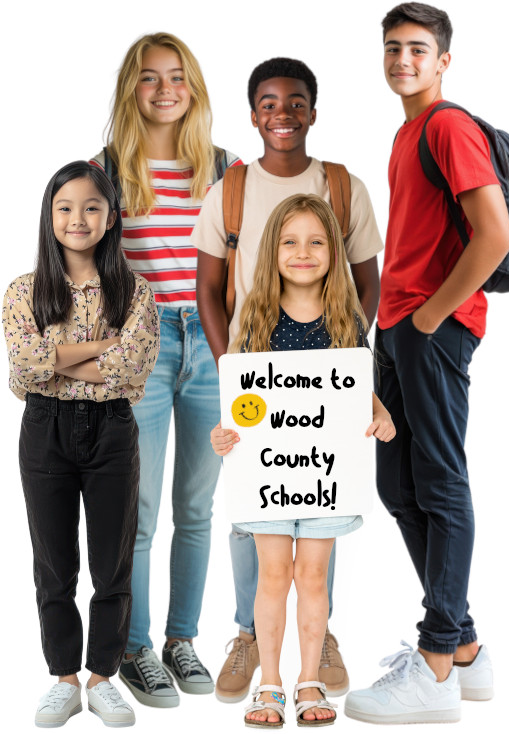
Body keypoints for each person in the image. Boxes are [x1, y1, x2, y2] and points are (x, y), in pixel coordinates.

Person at [344, 3, 509, 726]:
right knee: (397, 485)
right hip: (400, 328)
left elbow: (495, 235)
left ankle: (437, 660)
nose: (402, 60)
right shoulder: (406, 131)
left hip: (429, 329)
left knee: (439, 483)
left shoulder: (445, 127)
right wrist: (397, 323)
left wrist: (430, 315)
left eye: (417, 49)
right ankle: (466, 650)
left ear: (443, 61)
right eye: (392, 48)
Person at [194, 56, 383, 703]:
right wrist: (235, 377)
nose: (282, 114)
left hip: (324, 378)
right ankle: (251, 637)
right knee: (253, 522)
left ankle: (317, 637)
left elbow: (364, 277)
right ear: (253, 114)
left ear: (312, 110)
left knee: (317, 542)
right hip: (253, 368)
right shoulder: (233, 189)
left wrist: (347, 370)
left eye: (295, 101)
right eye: (269, 103)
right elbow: (210, 289)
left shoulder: (340, 184)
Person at [91, 32, 242, 707]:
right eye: (149, 78)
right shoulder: (104, 171)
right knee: (140, 509)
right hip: (143, 351)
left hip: (212, 348)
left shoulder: (224, 168)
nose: (163, 90)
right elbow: (82, 271)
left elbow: (251, 266)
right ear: (132, 88)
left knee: (197, 506)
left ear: (194, 88)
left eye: (176, 77)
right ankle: (136, 647)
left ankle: (182, 640)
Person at [210, 194, 395, 727]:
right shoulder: (256, 317)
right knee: (273, 575)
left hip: (326, 475)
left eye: (317, 242)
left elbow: (357, 389)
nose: (303, 252)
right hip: (268, 473)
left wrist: (380, 415)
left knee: (313, 576)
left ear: (335, 253)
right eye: (290, 242)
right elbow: (241, 402)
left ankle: (308, 681)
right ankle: (269, 685)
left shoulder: (345, 319)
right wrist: (225, 434)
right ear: (272, 252)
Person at [2, 161, 159, 728]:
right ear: (49, 217)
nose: (78, 218)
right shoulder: (24, 291)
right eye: (65, 207)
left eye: (91, 207)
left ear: (111, 218)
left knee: (112, 561)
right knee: (54, 562)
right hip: (44, 430)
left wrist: (57, 357)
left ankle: (102, 677)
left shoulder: (134, 292)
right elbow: (22, 368)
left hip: (113, 430)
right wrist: (93, 355)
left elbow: (132, 369)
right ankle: (64, 678)